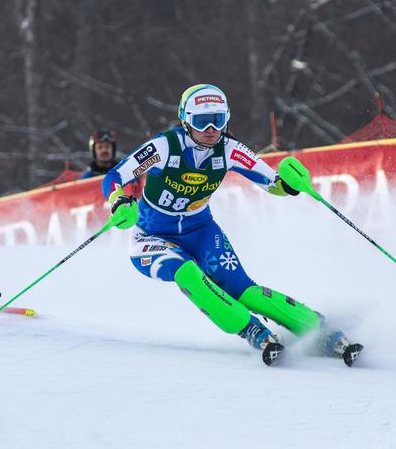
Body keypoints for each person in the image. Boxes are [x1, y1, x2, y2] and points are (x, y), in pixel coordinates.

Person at [101, 84, 363, 366]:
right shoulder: (165, 146)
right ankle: (250, 329)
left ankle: (319, 329)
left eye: (219, 120)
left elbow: (272, 182)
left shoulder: (229, 149)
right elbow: (115, 175)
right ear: (185, 120)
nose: (211, 128)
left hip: (200, 231)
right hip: (150, 236)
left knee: (243, 289)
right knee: (186, 272)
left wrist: (289, 185)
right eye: (202, 121)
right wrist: (119, 200)